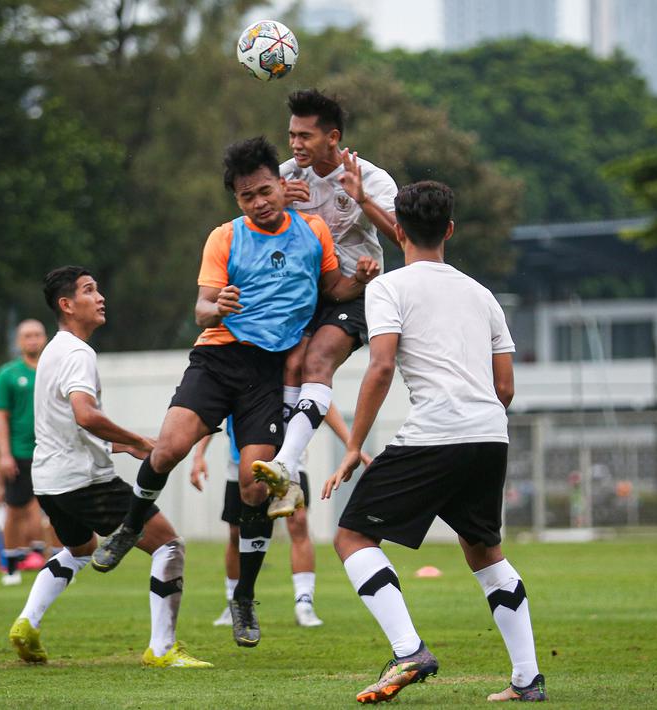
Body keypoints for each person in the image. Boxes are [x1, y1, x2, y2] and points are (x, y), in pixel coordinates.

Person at [91, 136, 378, 649]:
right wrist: (217, 305)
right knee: (169, 447)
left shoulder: (312, 231)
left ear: (282, 186)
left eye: (266, 191)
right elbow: (201, 309)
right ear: (237, 201)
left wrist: (361, 279)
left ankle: (243, 597)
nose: (260, 202)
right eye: (248, 197)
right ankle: (129, 528)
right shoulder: (224, 237)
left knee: (253, 486)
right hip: (219, 357)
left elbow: (333, 290)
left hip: (268, 374)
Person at [323, 181, 546, 704]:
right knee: (485, 552)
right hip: (491, 435)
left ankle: (409, 650)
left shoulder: (387, 288)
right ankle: (527, 680)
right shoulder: (482, 294)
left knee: (352, 538)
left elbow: (380, 367)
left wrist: (355, 445)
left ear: (397, 230)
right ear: (449, 229)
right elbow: (506, 387)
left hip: (435, 434)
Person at [6, 266, 210, 669]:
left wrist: (119, 445)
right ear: (66, 305)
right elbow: (84, 415)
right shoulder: (79, 354)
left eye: (98, 289)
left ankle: (26, 624)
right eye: (88, 290)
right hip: (84, 481)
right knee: (169, 545)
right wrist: (137, 440)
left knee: (80, 550)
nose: (100, 297)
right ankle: (162, 649)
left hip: (49, 481)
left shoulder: (52, 351)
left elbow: (64, 422)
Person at [253, 89, 398, 518]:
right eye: (291, 135)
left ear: (332, 137)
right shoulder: (283, 177)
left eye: (305, 136)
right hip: (303, 293)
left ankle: (284, 464)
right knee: (290, 367)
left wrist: (362, 199)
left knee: (316, 362)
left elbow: (403, 237)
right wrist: (276, 208)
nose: (296, 144)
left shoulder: (370, 178)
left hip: (356, 289)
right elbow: (252, 224)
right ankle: (287, 473)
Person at [191, 409, 372, 630]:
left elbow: (323, 402)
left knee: (299, 521)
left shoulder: (292, 376)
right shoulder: (237, 376)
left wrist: (353, 447)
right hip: (240, 463)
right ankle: (233, 602)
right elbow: (215, 407)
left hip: (290, 462)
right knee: (236, 533)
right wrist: (199, 453)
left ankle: (304, 603)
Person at [0, 320, 50, 585]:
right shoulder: (8, 374)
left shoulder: (54, 369)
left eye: (37, 335)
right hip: (20, 451)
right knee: (15, 510)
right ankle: (12, 566)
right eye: (27, 336)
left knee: (54, 507)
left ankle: (56, 561)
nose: (32, 340)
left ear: (45, 338)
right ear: (18, 342)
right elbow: (0, 416)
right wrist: (4, 454)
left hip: (51, 449)